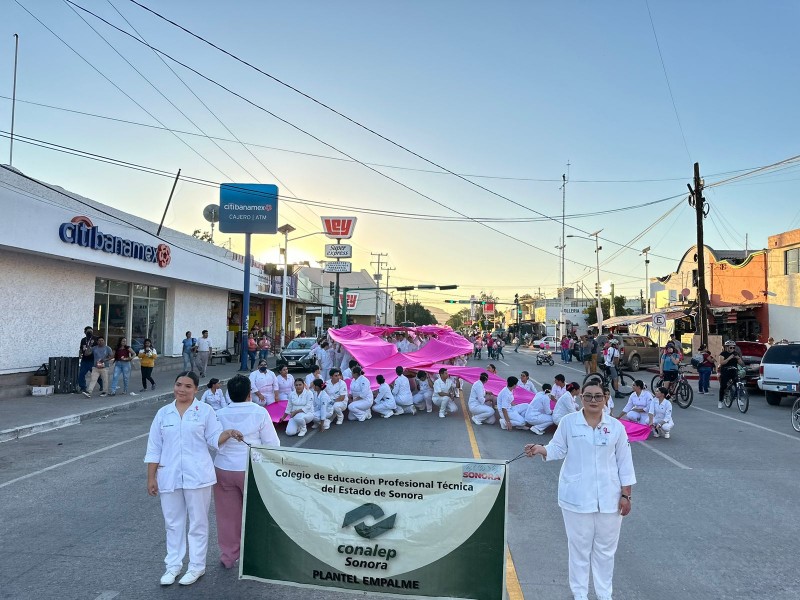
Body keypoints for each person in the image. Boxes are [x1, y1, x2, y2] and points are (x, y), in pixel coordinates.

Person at [525, 381, 635, 600]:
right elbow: (557, 448)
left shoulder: (616, 427)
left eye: (598, 396)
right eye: (588, 396)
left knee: (605, 551)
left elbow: (625, 463)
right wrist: (540, 449)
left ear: (605, 398)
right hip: (576, 498)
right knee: (579, 550)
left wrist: (625, 495)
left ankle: (605, 595)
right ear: (580, 398)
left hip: (610, 499)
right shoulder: (569, 422)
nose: (593, 401)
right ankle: (580, 595)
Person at [144, 371, 243, 586]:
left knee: (198, 523)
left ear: (196, 389)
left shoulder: (205, 411)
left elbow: (213, 439)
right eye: (178, 384)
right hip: (168, 475)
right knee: (172, 523)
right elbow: (154, 447)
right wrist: (151, 477)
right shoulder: (163, 413)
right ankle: (173, 566)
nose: (182, 389)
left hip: (198, 476)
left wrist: (229, 433)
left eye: (188, 386)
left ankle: (197, 566)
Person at [213, 374, 279, 569]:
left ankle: (228, 556)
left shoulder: (220, 414)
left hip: (223, 468)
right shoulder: (259, 412)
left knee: (227, 516)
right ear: (249, 393)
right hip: (251, 468)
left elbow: (213, 442)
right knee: (257, 513)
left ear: (229, 394)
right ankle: (257, 554)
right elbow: (272, 444)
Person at [718, 340, 743, 409]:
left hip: (734, 370)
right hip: (725, 370)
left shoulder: (736, 353)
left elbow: (741, 363)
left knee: (738, 385)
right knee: (723, 386)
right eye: (731, 348)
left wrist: (738, 358)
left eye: (733, 348)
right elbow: (721, 363)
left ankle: (739, 399)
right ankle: (720, 401)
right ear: (727, 347)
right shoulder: (723, 354)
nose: (732, 349)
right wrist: (729, 358)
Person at [78, 326, 98, 393]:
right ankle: (83, 387)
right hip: (85, 360)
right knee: (81, 374)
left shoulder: (96, 339)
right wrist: (80, 354)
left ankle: (102, 385)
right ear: (85, 332)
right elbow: (81, 348)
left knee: (95, 374)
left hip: (93, 360)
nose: (89, 333)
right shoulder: (83, 340)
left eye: (91, 331)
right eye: (88, 332)